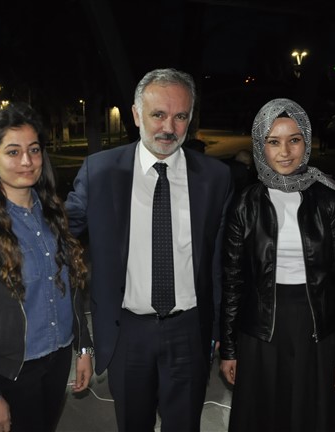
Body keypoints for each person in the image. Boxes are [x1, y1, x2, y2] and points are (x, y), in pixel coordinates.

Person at [65, 67, 234, 431]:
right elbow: (57, 237)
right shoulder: (100, 172)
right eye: (158, 114)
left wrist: (224, 331)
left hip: (190, 331)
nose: (169, 128)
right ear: (136, 114)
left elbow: (221, 264)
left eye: (180, 116)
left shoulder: (215, 178)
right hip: (127, 333)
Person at [0, 102, 93, 432]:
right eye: (13, 152)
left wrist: (83, 347)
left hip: (58, 358)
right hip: (12, 369)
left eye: (34, 150)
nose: (27, 161)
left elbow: (71, 287)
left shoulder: (54, 211)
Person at [219, 98, 335, 432]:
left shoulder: (328, 200)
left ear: (306, 141)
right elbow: (233, 282)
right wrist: (229, 348)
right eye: (273, 141)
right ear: (260, 145)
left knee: (309, 414)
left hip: (316, 325)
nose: (285, 152)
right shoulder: (245, 203)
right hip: (260, 327)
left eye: (294, 140)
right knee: (262, 415)